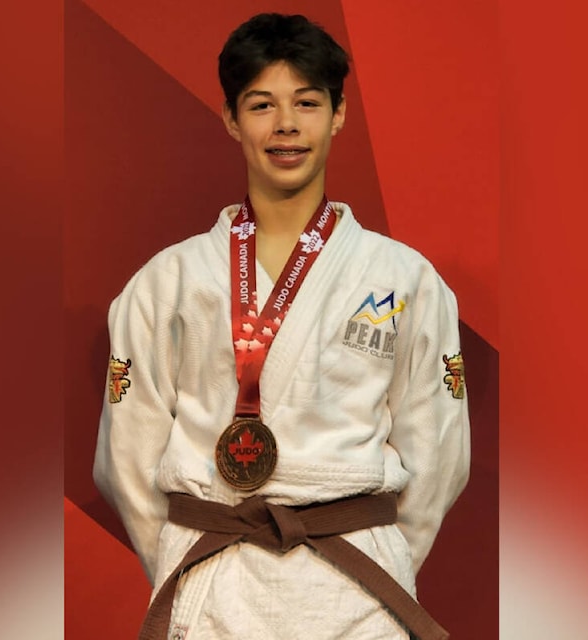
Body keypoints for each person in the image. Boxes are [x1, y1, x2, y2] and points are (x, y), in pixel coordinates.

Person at [93, 12, 470, 640]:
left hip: (356, 588)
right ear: (231, 117)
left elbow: (439, 455)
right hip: (215, 578)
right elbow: (124, 457)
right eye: (262, 104)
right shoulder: (169, 280)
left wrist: (386, 555)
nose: (286, 125)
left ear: (339, 113)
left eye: (307, 102)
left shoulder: (404, 279)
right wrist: (179, 561)